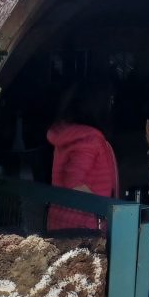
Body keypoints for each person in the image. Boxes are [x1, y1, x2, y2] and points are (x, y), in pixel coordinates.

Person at [46, 78, 119, 232]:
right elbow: (74, 181)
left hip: (61, 219)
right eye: (110, 99)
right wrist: (101, 210)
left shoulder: (70, 134)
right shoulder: (89, 138)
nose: (111, 104)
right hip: (84, 226)